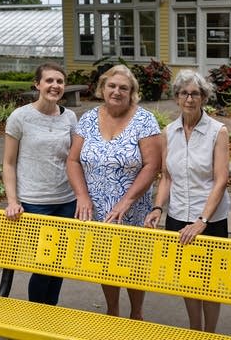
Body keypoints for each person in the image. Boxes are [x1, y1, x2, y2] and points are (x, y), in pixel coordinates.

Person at [67, 64, 161, 320]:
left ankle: (137, 314)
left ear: (132, 92)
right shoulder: (87, 119)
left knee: (134, 265)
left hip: (132, 208)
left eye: (124, 88)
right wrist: (82, 195)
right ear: (102, 88)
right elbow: (73, 161)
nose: (117, 91)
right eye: (112, 86)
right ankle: (112, 310)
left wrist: (126, 201)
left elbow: (153, 165)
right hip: (96, 208)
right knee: (105, 263)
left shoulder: (144, 120)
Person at [144, 69, 231, 333]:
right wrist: (158, 207)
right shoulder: (168, 131)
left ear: (204, 97)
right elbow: (167, 176)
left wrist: (202, 220)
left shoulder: (218, 131)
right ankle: (194, 330)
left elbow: (220, 180)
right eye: (184, 93)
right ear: (177, 97)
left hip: (210, 219)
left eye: (195, 93)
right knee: (188, 280)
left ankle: (210, 333)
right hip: (178, 216)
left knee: (210, 282)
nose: (189, 99)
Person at [2, 61, 78, 305]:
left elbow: (75, 160)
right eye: (49, 81)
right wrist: (13, 201)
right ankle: (37, 318)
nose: (55, 86)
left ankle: (49, 315)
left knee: (58, 266)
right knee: (44, 265)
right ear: (37, 84)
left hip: (66, 201)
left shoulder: (70, 118)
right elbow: (9, 163)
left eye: (60, 81)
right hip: (35, 203)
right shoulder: (20, 117)